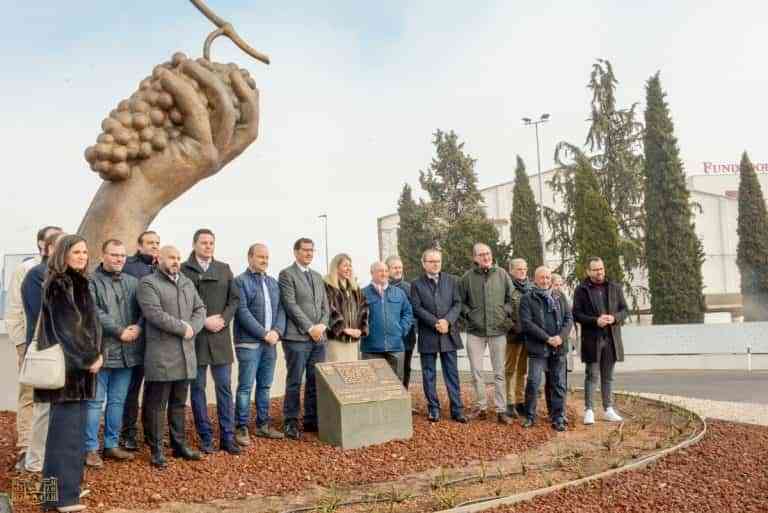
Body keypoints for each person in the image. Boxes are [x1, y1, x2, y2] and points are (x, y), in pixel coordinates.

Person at [36, 235, 102, 513]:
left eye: (85, 252)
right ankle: (61, 499)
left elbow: (90, 325)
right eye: (76, 251)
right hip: (69, 372)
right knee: (65, 438)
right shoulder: (61, 283)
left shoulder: (77, 281)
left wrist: (97, 354)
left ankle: (57, 494)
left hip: (78, 372)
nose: (82, 256)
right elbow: (68, 328)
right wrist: (90, 358)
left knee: (66, 436)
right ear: (63, 253)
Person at [137, 246, 206, 468]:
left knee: (178, 404)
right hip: (162, 356)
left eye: (178, 257)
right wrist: (182, 328)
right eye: (171, 257)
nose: (176, 261)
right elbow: (154, 314)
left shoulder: (186, 282)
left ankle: (179, 445)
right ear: (159, 259)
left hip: (186, 355)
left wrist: (192, 328)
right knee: (158, 406)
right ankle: (157, 450)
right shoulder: (148, 283)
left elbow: (200, 308)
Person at [180, 229, 241, 455]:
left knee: (224, 387)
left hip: (220, 336)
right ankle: (205, 437)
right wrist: (202, 321)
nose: (208, 246)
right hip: (195, 338)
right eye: (204, 243)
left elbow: (234, 300)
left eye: (211, 243)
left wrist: (223, 320)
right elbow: (180, 302)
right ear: (194, 244)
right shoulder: (184, 270)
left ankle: (228, 437)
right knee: (197, 388)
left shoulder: (224, 269)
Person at [6, 225, 61, 471]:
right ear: (43, 245)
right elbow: (15, 309)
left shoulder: (64, 272)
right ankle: (26, 447)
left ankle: (47, 447)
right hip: (32, 345)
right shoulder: (28, 271)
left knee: (50, 398)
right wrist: (21, 344)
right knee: (29, 396)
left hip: (56, 349)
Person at [85, 239, 142, 467]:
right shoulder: (90, 281)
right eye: (114, 254)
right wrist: (120, 331)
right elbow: (93, 311)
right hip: (102, 351)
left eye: (122, 255)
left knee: (118, 401)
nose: (119, 259)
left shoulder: (133, 282)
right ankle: (90, 449)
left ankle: (111, 445)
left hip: (128, 353)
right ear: (103, 255)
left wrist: (138, 326)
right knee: (94, 402)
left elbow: (144, 309)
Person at [233, 243, 286, 444]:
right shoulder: (240, 282)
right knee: (246, 387)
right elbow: (242, 312)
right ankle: (241, 427)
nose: (264, 260)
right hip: (249, 344)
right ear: (250, 258)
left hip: (270, 344)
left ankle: (263, 425)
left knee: (265, 386)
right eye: (260, 257)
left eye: (266, 257)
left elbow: (281, 310)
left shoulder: (273, 283)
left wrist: (277, 332)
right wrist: (264, 333)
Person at [21, 230, 64, 474]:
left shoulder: (66, 276)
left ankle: (52, 465)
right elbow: (45, 315)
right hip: (46, 354)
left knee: (58, 414)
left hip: (65, 355)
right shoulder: (37, 276)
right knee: (43, 412)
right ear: (47, 249)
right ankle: (35, 464)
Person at [278, 238, 330, 440]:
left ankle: (311, 419)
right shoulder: (286, 275)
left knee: (314, 379)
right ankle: (290, 421)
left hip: (319, 338)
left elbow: (326, 306)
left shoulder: (317, 276)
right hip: (297, 338)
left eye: (311, 250)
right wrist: (310, 328)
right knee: (294, 380)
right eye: (305, 250)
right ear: (296, 252)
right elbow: (291, 305)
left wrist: (322, 326)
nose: (309, 253)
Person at [459, 243, 516, 424]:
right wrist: (469, 314)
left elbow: (513, 297)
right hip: (475, 332)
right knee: (477, 371)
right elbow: (460, 302)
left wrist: (503, 312)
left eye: (488, 253)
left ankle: (501, 410)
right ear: (475, 258)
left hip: (498, 331)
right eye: (482, 254)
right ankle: (481, 407)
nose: (486, 257)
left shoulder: (501, 274)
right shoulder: (467, 278)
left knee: (499, 372)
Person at [410, 249, 467, 423]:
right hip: (429, 334)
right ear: (424, 263)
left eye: (438, 261)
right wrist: (436, 322)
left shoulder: (451, 280)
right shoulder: (416, 284)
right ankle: (433, 409)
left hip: (448, 334)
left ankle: (457, 410)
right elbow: (417, 308)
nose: (435, 264)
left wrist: (447, 321)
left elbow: (457, 304)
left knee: (452, 373)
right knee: (429, 374)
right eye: (432, 261)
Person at [572, 256, 629, 425]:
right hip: (592, 338)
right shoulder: (581, 290)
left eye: (601, 269)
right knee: (592, 375)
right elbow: (576, 314)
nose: (599, 272)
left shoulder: (614, 287)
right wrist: (595, 321)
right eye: (596, 269)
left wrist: (615, 317)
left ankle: (608, 409)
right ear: (588, 271)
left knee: (608, 376)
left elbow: (625, 310)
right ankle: (589, 410)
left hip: (611, 338)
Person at [120, 230, 160, 450]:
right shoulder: (128, 266)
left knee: (153, 391)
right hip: (135, 338)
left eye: (157, 243)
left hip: (158, 342)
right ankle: (128, 434)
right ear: (139, 245)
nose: (154, 246)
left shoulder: (160, 267)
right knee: (131, 390)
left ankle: (151, 433)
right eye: (150, 242)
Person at [519, 266, 572, 432]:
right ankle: (530, 416)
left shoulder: (559, 296)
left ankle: (558, 417)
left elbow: (568, 319)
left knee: (558, 383)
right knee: (534, 383)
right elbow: (527, 323)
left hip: (558, 347)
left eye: (548, 277)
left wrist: (560, 337)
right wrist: (547, 338)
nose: (545, 281)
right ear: (535, 280)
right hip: (538, 348)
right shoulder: (527, 299)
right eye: (542, 278)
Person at [360, 262, 412, 380]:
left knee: (396, 383)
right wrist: (364, 331)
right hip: (371, 348)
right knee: (372, 383)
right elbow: (356, 318)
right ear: (372, 273)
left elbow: (408, 313)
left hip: (396, 347)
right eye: (380, 271)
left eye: (385, 271)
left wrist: (402, 330)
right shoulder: (362, 293)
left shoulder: (399, 293)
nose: (383, 273)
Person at [324, 253, 368, 363]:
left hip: (353, 340)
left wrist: (360, 329)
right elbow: (328, 309)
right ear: (336, 267)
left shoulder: (355, 288)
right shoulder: (327, 286)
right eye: (345, 265)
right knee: (337, 374)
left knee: (351, 375)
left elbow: (364, 309)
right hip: (336, 339)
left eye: (350, 265)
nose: (348, 268)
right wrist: (343, 329)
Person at [504, 258, 532, 419]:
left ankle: (520, 401)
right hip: (512, 335)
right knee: (510, 369)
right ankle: (509, 402)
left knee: (522, 370)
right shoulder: (507, 288)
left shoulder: (531, 288)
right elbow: (502, 311)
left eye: (524, 269)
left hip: (527, 336)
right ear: (511, 271)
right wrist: (512, 326)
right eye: (519, 269)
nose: (522, 271)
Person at [385, 256, 418, 388]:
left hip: (405, 337)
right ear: (387, 269)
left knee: (405, 367)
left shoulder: (408, 288)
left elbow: (414, 312)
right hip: (387, 337)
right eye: (395, 267)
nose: (398, 270)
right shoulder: (382, 287)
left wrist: (403, 328)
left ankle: (404, 395)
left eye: (400, 267)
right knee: (388, 368)